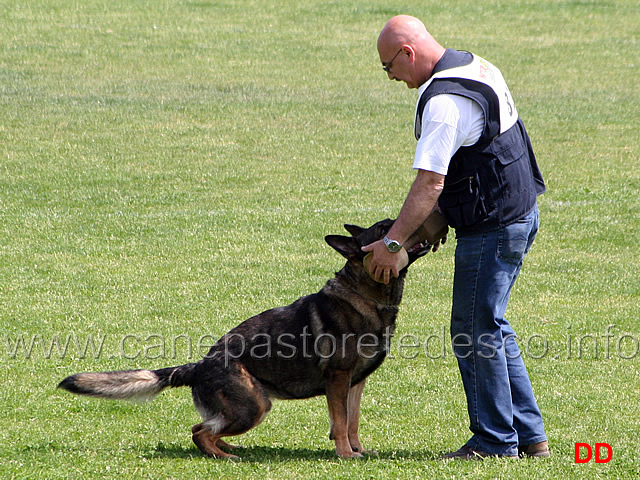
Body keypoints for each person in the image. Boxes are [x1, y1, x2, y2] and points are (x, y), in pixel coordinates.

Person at [362, 15, 549, 459]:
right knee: (492, 327)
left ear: (407, 53)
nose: (391, 78)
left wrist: (394, 245)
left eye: (389, 67)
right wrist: (441, 220)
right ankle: (530, 437)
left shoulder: (443, 103)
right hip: (517, 209)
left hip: (494, 226)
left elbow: (430, 183)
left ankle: (494, 441)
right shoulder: (475, 64)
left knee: (473, 330)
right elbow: (484, 152)